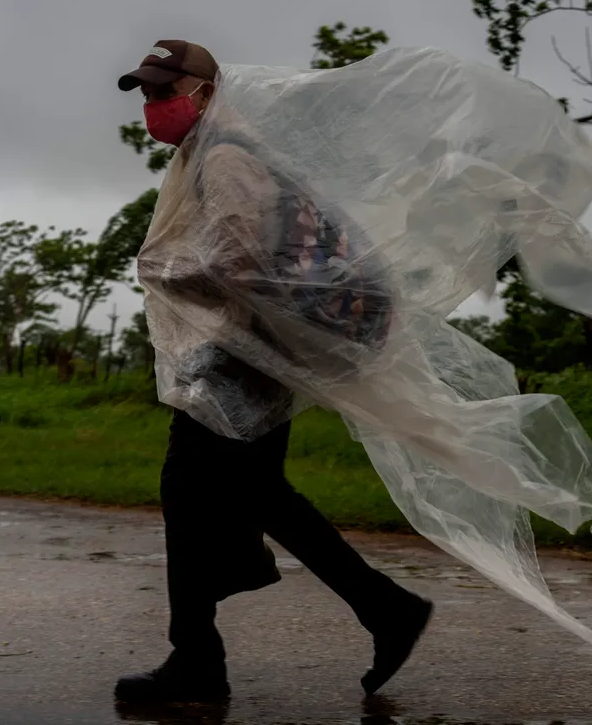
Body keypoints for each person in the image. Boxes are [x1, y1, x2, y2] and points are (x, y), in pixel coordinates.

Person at [114, 40, 432, 703]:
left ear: (205, 91)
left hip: (245, 357)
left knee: (196, 490)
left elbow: (239, 267)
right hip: (254, 352)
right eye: (146, 92)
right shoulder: (220, 151)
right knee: (252, 496)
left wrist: (162, 270)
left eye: (165, 89)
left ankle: (197, 659)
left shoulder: (227, 156)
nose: (155, 105)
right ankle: (383, 610)